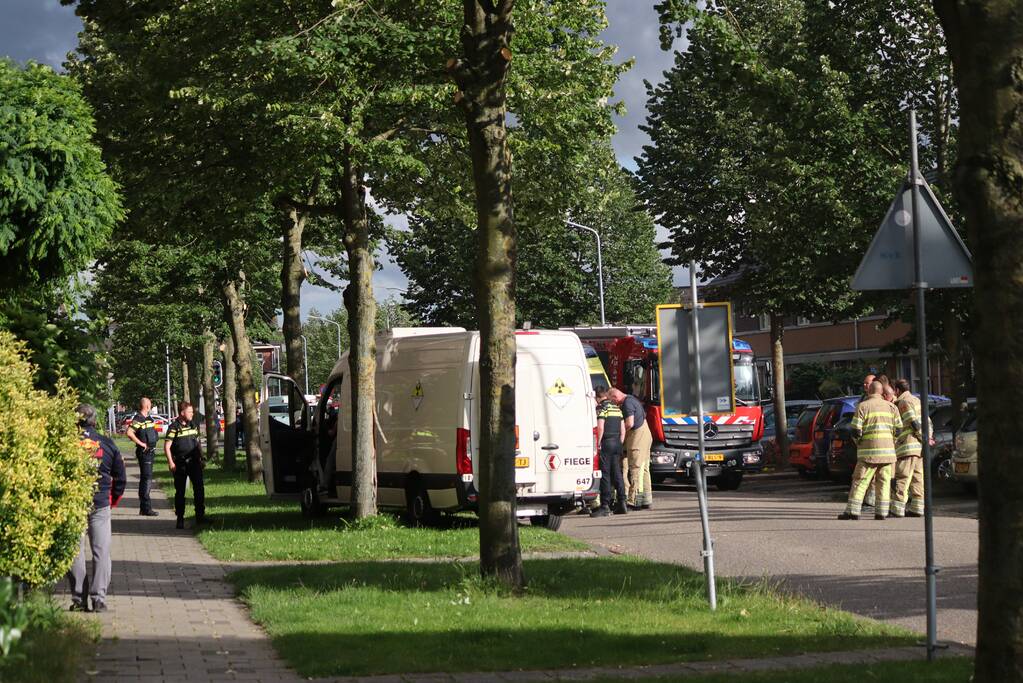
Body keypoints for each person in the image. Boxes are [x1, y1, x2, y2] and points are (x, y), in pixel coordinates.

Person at [67, 403, 127, 612]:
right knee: (101, 551)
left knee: (75, 552)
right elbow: (121, 476)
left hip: (73, 504)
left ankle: (78, 599)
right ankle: (99, 598)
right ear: (94, 421)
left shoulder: (67, 444)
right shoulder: (107, 444)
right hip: (100, 504)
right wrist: (113, 499)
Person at [839, 381, 900, 520]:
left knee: (860, 481)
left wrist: (859, 443)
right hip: (888, 454)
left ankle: (853, 511)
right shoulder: (892, 407)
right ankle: (882, 512)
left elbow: (855, 431)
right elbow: (899, 429)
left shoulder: (862, 406)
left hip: (868, 453)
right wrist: (892, 443)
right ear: (881, 392)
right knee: (884, 482)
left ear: (869, 391)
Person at [164, 401, 207, 529]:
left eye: (192, 412)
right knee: (180, 492)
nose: (192, 414)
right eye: (190, 412)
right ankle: (180, 518)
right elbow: (167, 446)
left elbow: (197, 443)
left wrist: (201, 457)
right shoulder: (173, 427)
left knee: (199, 490)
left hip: (194, 463)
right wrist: (171, 462)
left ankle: (200, 517)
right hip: (180, 464)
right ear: (182, 413)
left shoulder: (193, 425)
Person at [610, 387, 653, 510]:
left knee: (635, 469)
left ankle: (634, 501)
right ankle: (646, 499)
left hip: (637, 437)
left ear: (615, 397)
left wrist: (618, 431)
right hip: (645, 435)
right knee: (644, 468)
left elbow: (629, 423)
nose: (613, 404)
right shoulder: (632, 399)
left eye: (612, 401)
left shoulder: (627, 403)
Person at [892, 378, 929, 518]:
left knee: (903, 475)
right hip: (919, 448)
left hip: (908, 445)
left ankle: (897, 508)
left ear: (897, 390)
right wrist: (926, 439)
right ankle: (917, 508)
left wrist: (921, 437)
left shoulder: (904, 402)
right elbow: (927, 421)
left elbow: (913, 422)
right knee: (917, 477)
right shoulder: (916, 400)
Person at [591, 387, 627, 517]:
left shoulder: (602, 408)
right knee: (617, 473)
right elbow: (623, 430)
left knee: (605, 474)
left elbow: (600, 427)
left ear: (598, 397)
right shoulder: (617, 409)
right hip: (617, 443)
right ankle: (622, 502)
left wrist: (598, 443)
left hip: (606, 442)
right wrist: (619, 442)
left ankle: (605, 505)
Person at [126, 397, 159, 516]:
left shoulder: (149, 419)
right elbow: (129, 432)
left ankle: (144, 508)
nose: (150, 406)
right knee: (147, 479)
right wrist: (141, 444)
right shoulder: (138, 418)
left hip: (151, 452)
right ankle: (146, 508)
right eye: (150, 404)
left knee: (147, 479)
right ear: (147, 406)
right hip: (144, 453)